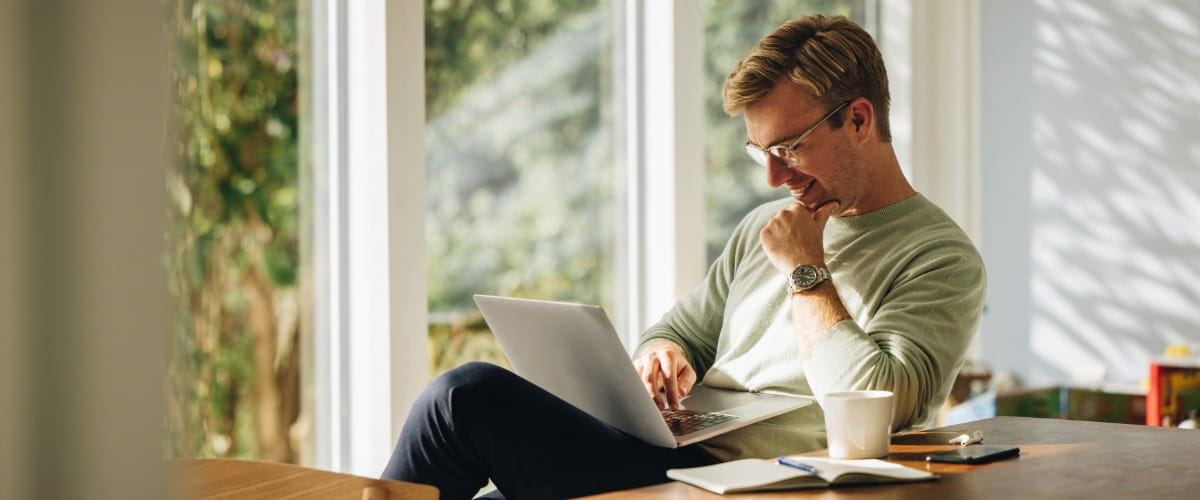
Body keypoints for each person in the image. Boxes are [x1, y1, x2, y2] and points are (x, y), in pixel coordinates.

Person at [382, 14, 985, 499]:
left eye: (789, 147)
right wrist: (660, 356)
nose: (774, 176)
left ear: (858, 119)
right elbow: (681, 330)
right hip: (670, 453)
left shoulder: (941, 258)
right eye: (760, 152)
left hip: (760, 480)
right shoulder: (761, 230)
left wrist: (806, 274)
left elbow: (874, 399)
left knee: (465, 398)